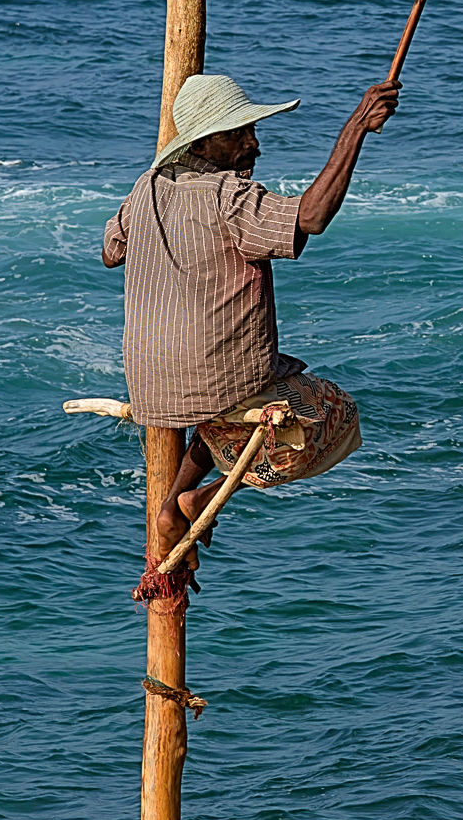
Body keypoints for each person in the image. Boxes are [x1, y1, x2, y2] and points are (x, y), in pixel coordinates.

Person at [104, 71, 399, 550]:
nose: (254, 144)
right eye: (237, 134)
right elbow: (311, 218)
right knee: (337, 413)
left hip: (152, 382)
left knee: (219, 412)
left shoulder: (146, 188)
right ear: (202, 143)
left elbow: (111, 250)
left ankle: (172, 504)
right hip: (218, 378)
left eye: (252, 130)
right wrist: (356, 129)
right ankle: (206, 496)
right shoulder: (230, 197)